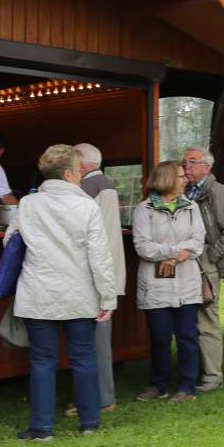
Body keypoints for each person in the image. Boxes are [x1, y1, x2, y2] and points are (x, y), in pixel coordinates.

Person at [10, 143, 118, 440]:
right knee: (83, 357)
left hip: (37, 290)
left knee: (42, 360)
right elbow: (100, 257)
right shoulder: (87, 206)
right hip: (79, 292)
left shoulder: (28, 204)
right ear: (70, 174)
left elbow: (11, 241)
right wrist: (107, 297)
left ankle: (42, 428)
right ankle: (89, 424)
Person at [132, 160, 207, 403]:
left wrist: (174, 257)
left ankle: (187, 388)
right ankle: (159, 385)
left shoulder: (191, 207)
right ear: (166, 179)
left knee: (187, 336)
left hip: (186, 283)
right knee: (160, 337)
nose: (186, 179)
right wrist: (175, 253)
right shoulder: (144, 209)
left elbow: (198, 241)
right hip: (156, 285)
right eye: (180, 176)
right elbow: (143, 246)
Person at [181, 146, 224, 393]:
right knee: (190, 320)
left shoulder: (216, 191)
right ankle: (194, 371)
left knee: (206, 318)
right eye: (184, 162)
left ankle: (212, 375)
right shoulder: (185, 190)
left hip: (205, 265)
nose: (185, 166)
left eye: (191, 162)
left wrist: (210, 255)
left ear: (206, 167)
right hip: (185, 263)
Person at [75, 142, 127, 414]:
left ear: (81, 164)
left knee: (93, 342)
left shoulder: (86, 189)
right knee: (97, 340)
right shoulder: (106, 184)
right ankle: (101, 396)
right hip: (108, 272)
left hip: (96, 275)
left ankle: (100, 398)